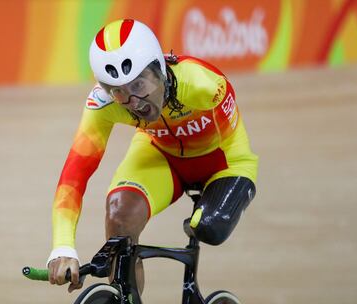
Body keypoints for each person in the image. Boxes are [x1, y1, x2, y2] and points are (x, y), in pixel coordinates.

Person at [47, 19, 258, 293]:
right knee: (119, 217)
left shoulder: (205, 85)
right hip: (160, 153)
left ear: (159, 67)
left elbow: (232, 142)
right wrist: (63, 246)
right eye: (119, 91)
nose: (134, 102)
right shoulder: (103, 103)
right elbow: (75, 174)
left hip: (221, 160)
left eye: (138, 85)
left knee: (210, 227)